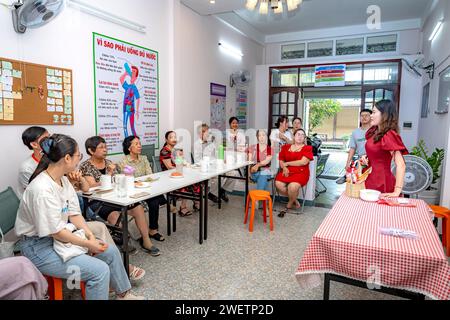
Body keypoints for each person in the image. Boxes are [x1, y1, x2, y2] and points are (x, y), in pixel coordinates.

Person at [15, 134, 144, 300]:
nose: (79, 160)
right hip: (39, 248)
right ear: (67, 158)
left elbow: (74, 214)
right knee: (99, 271)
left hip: (57, 238)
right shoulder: (42, 189)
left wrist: (90, 236)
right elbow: (57, 232)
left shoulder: (62, 180)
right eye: (79, 156)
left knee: (110, 251)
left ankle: (123, 294)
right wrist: (88, 243)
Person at [80, 136, 161, 257]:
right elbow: (92, 187)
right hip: (98, 201)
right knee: (115, 216)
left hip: (116, 197)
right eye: (101, 147)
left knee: (138, 208)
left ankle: (146, 241)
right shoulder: (85, 165)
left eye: (106, 147)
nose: (105, 150)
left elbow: (119, 180)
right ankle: (123, 241)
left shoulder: (109, 163)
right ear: (91, 151)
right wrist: (109, 174)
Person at [118, 136, 167, 242]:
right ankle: (167, 203)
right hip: (132, 190)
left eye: (139, 143)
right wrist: (140, 182)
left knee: (154, 201)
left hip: (145, 188)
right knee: (155, 198)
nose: (140, 146)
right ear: (129, 148)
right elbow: (126, 179)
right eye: (136, 144)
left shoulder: (144, 158)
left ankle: (153, 230)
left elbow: (150, 175)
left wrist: (145, 181)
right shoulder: (123, 161)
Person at [360, 100, 408, 197]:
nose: (371, 116)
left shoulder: (389, 134)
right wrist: (367, 157)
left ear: (384, 114)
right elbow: (379, 153)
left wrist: (397, 191)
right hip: (370, 178)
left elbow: (401, 165)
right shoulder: (375, 132)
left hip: (382, 182)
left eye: (373, 112)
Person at [193, 123, 237, 203]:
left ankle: (222, 191)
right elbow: (197, 160)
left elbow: (216, 154)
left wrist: (222, 159)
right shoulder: (197, 144)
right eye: (208, 132)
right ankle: (212, 194)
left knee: (233, 174)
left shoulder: (211, 142)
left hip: (216, 165)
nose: (209, 134)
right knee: (216, 177)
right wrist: (211, 162)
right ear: (201, 133)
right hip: (205, 168)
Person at [160, 131, 201, 216]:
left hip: (179, 174)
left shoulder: (176, 150)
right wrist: (182, 165)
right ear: (166, 139)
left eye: (175, 137)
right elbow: (169, 167)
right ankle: (183, 208)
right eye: (171, 137)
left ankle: (196, 202)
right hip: (169, 176)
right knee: (187, 184)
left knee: (196, 181)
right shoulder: (164, 151)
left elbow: (182, 162)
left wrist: (186, 164)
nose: (174, 139)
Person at [275, 129, 313, 217]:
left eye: (302, 135)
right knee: (278, 184)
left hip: (301, 173)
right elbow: (281, 160)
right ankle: (294, 199)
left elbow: (303, 162)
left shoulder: (307, 148)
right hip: (287, 171)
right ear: (294, 136)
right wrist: (284, 167)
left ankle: (290, 202)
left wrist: (287, 163)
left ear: (304, 138)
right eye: (298, 134)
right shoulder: (285, 147)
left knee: (292, 186)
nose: (300, 137)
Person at [336, 109, 373, 184]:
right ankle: (346, 177)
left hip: (373, 160)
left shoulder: (375, 131)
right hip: (361, 161)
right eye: (362, 116)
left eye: (367, 115)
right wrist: (347, 163)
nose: (364, 117)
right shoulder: (355, 132)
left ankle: (346, 177)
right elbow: (352, 149)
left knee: (370, 182)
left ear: (371, 117)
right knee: (357, 181)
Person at [18, 126, 49, 194]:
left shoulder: (52, 157)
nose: (50, 141)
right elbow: (34, 193)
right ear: (34, 145)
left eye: (50, 137)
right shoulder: (26, 168)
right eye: (45, 139)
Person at [120, 64, 140, 138]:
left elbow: (138, 99)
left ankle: (136, 141)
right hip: (125, 109)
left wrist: (137, 111)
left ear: (136, 77)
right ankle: (127, 142)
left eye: (134, 72)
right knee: (125, 126)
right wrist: (125, 73)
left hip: (131, 110)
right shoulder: (127, 86)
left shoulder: (134, 87)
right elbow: (121, 79)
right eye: (132, 71)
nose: (132, 73)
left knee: (132, 127)